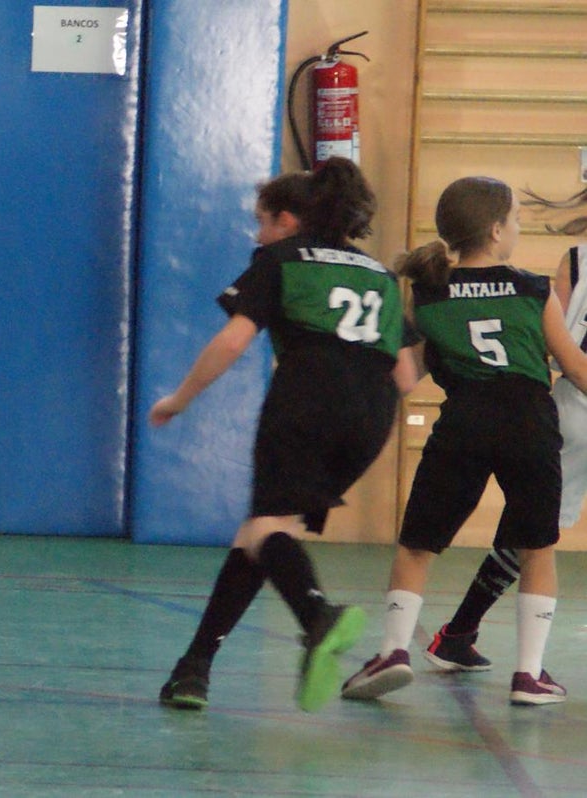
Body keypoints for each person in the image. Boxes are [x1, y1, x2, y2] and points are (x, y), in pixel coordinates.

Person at [151, 157, 419, 713]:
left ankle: (318, 616)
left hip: (307, 399)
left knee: (266, 528)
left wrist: (179, 400)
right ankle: (192, 670)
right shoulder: (379, 274)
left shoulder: (281, 259)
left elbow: (233, 341)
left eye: (263, 221)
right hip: (373, 416)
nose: (258, 234)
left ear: (289, 221)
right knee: (261, 533)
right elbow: (407, 377)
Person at [340, 177, 587, 706]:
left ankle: (392, 651)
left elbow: (406, 375)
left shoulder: (429, 293)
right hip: (529, 425)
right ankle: (528, 675)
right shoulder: (532, 289)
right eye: (515, 220)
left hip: (463, 425)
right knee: (537, 549)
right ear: (496, 231)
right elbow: (574, 367)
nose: (517, 228)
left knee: (417, 546)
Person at [422, 240, 587, 675]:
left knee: (531, 530)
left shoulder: (576, 257)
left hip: (574, 405)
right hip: (577, 401)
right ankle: (465, 634)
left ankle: (460, 631)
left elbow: (551, 342)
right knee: (534, 534)